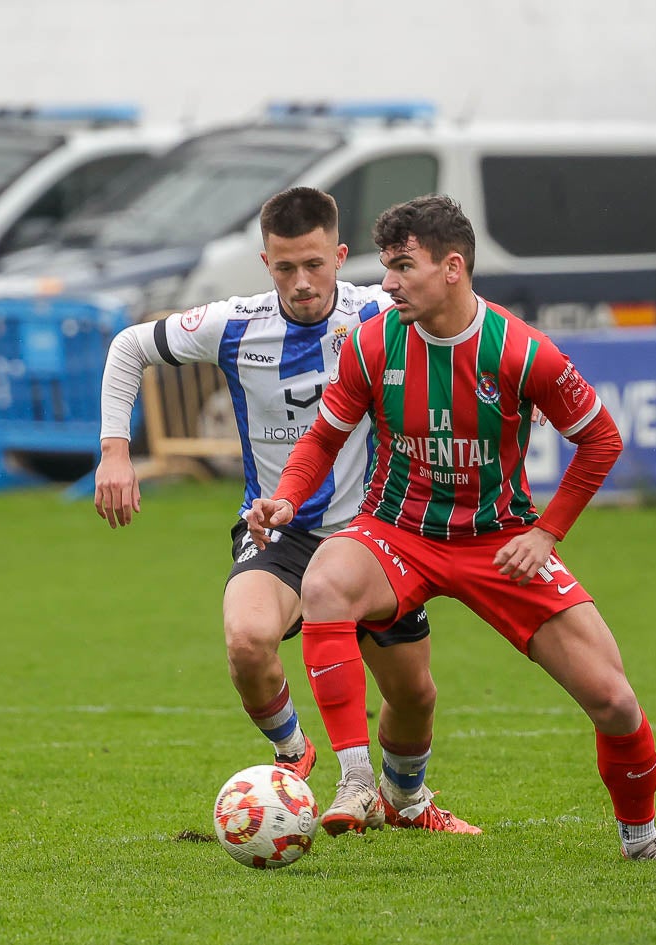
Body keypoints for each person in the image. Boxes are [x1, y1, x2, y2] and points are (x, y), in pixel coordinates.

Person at [245, 194, 656, 863]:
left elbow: (601, 441)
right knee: (325, 582)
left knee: (613, 699)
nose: (388, 283)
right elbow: (322, 438)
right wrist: (287, 498)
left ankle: (642, 840)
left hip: (500, 541)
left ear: (452, 267)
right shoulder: (371, 341)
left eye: (404, 267)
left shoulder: (522, 352)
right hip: (397, 532)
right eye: (386, 267)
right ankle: (355, 781)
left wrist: (545, 533)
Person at [94, 186, 478, 834]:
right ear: (265, 262)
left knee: (413, 695)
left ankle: (407, 800)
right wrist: (114, 451)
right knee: (246, 640)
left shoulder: (379, 310)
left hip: (372, 536)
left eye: (314, 264)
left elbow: (460, 319)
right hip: (280, 528)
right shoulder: (235, 323)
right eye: (284, 268)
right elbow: (129, 346)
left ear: (340, 254)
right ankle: (293, 755)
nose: (301, 282)